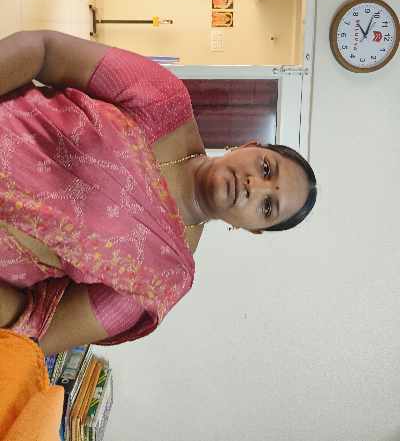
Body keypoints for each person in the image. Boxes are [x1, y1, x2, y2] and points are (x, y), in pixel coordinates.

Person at [0, 30, 317, 355]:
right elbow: (46, 52)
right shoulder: (164, 99)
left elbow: (38, 332)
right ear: (249, 145)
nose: (255, 186)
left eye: (268, 206)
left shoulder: (162, 278)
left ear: (252, 228)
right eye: (266, 168)